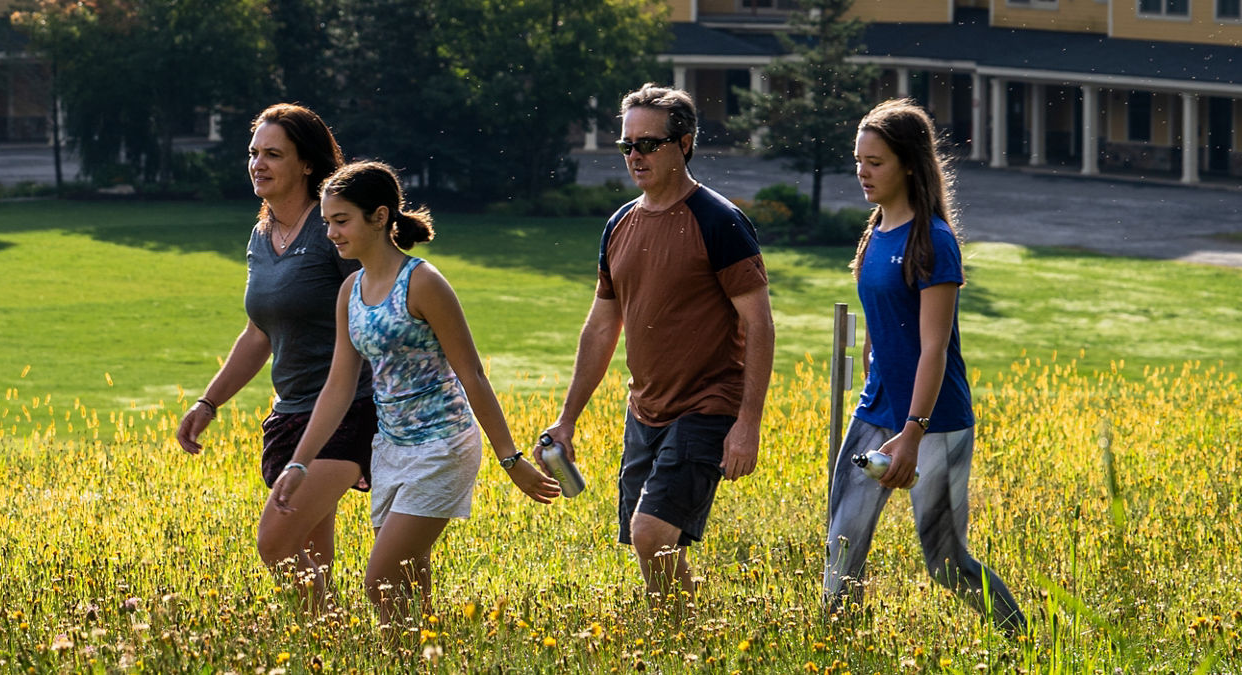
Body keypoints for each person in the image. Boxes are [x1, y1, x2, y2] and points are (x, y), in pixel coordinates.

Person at [271, 161, 558, 626]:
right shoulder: (351, 291)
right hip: (391, 448)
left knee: (380, 581)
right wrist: (300, 463)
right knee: (407, 581)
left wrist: (511, 459)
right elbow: (339, 387)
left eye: (341, 221)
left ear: (380, 217)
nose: (331, 234)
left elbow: (474, 375)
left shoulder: (423, 282)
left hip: (442, 446)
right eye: (327, 222)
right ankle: (419, 657)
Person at [538, 84, 775, 601]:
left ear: (684, 143)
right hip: (645, 409)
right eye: (627, 145)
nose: (635, 156)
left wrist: (747, 423)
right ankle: (686, 642)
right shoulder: (619, 223)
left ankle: (685, 637)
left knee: (651, 534)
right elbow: (602, 326)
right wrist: (568, 416)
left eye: (648, 144)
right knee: (653, 545)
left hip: (708, 405)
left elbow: (759, 324)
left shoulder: (719, 222)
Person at [823, 98, 1027, 637]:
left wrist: (912, 434)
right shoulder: (873, 234)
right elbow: (880, 322)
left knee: (944, 562)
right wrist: (872, 370)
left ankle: (1026, 638)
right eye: (858, 160)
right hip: (876, 409)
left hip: (932, 421)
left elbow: (934, 348)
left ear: (909, 164)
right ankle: (839, 649)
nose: (862, 172)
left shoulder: (933, 241)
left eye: (876, 162)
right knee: (841, 544)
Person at [172, 104, 378, 609]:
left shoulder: (332, 230)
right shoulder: (262, 237)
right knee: (312, 560)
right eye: (253, 153)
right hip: (290, 416)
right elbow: (258, 333)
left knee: (276, 542)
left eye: (273, 154)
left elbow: (385, 301)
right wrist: (208, 403)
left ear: (306, 163)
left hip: (346, 412)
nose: (257, 164)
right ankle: (328, 651)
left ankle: (344, 639)